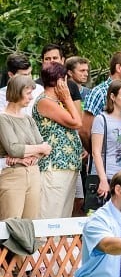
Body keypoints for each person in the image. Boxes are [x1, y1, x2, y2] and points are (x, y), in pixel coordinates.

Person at [33, 62, 83, 220]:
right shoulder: (45, 101)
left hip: (67, 165)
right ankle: (46, 246)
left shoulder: (57, 102)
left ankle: (58, 246)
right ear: (61, 81)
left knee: (63, 216)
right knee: (51, 215)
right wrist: (68, 98)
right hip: (54, 166)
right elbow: (77, 122)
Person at [0, 75, 50, 221]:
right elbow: (14, 149)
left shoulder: (28, 118)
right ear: (16, 92)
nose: (31, 97)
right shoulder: (3, 118)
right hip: (12, 175)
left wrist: (28, 155)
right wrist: (38, 148)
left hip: (33, 172)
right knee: (11, 223)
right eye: (28, 93)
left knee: (30, 223)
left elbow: (45, 148)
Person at [90, 81, 121, 200]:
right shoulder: (101, 119)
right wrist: (103, 180)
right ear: (113, 97)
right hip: (107, 175)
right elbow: (96, 152)